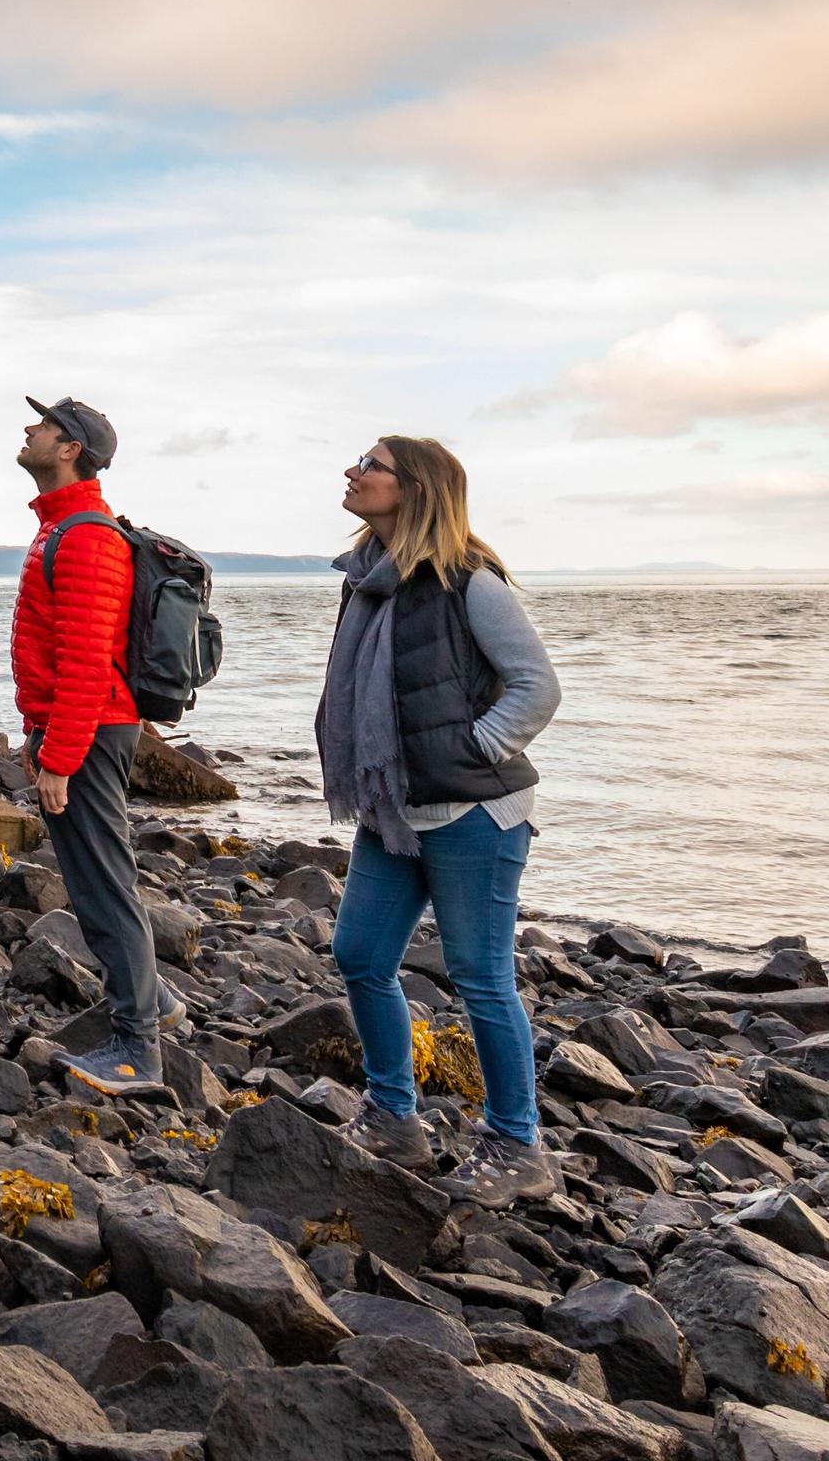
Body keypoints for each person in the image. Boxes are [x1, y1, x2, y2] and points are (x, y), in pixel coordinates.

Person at [320, 434, 564, 1206]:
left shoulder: (470, 582)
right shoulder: (369, 581)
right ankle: (394, 1115)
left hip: (474, 814)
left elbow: (537, 687)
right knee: (359, 954)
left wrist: (470, 750)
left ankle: (517, 1144)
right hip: (395, 808)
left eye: (371, 466)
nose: (353, 474)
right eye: (357, 462)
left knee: (481, 979)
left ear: (416, 488)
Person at [11, 394, 164, 1096]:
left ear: (70, 447)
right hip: (79, 727)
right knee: (99, 878)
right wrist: (35, 733)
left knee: (105, 886)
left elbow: (84, 659)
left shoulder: (88, 537)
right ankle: (154, 999)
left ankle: (138, 1050)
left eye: (43, 426)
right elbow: (51, 652)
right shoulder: (60, 528)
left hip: (95, 729)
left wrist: (60, 756)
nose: (30, 430)